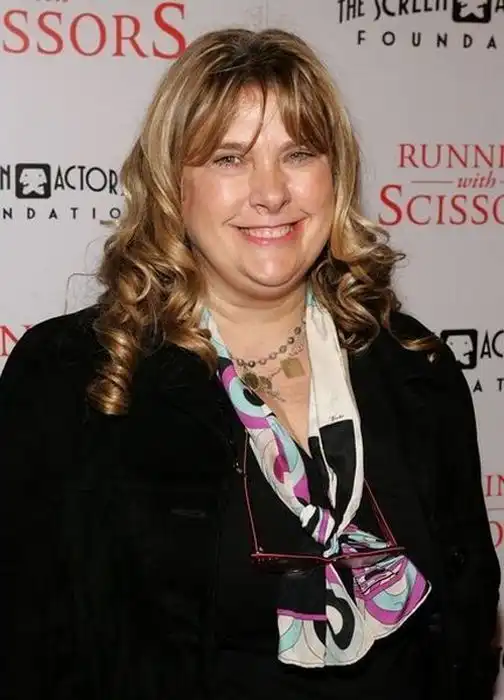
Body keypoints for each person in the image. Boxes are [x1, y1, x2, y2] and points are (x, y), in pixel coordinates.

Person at [1, 27, 500, 700]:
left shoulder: (415, 367)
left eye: (299, 153)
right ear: (174, 187)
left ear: (336, 175)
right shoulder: (73, 374)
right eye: (229, 158)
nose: (271, 193)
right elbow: (26, 643)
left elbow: (467, 615)